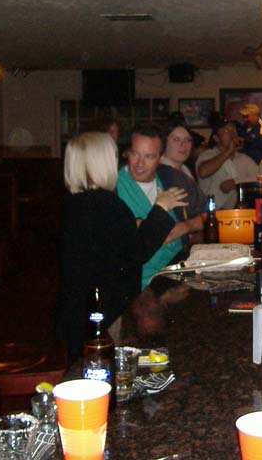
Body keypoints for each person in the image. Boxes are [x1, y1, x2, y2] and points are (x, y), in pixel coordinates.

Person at [56, 131, 187, 359]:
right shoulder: (105, 205)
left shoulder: (75, 203)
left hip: (78, 305)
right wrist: (161, 208)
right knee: (102, 368)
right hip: (102, 310)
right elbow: (137, 252)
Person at [117, 125, 203, 286]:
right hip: (137, 282)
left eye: (149, 156)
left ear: (160, 157)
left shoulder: (173, 178)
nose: (139, 164)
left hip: (177, 274)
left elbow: (209, 216)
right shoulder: (113, 186)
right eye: (134, 154)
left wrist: (185, 227)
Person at [196, 120, 259, 210]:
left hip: (235, 213)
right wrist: (228, 152)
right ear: (216, 138)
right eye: (226, 130)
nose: (232, 132)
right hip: (211, 212)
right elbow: (203, 172)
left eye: (233, 129)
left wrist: (236, 182)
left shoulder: (243, 158)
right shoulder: (208, 155)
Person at [237, 103, 262, 170]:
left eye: (246, 116)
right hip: (244, 167)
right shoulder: (243, 128)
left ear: (256, 116)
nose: (244, 119)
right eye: (243, 116)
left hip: (259, 168)